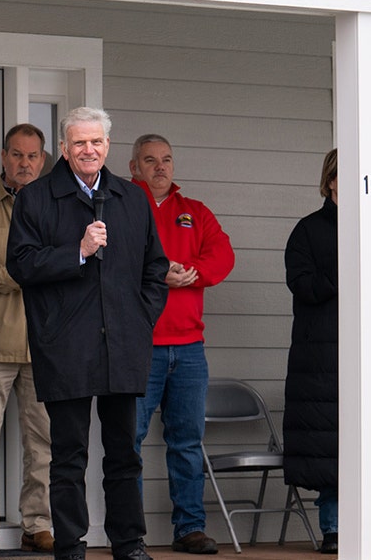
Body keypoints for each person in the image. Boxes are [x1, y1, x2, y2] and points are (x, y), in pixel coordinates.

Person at [7, 106, 168, 560]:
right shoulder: (36, 198)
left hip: (123, 343)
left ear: (108, 146)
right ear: (63, 148)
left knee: (124, 452)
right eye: (79, 143)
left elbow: (154, 269)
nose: (89, 150)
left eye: (96, 142)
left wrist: (140, 320)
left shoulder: (131, 199)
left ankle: (128, 542)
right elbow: (20, 264)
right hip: (66, 345)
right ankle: (71, 545)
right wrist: (76, 251)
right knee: (68, 455)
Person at [282, 148, 371, 554]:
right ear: (332, 180)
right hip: (320, 354)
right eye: (348, 176)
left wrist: (370, 272)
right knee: (330, 441)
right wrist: (346, 271)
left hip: (367, 347)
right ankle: (335, 528)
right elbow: (302, 284)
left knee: (370, 437)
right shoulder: (308, 230)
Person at [128, 134, 234, 556]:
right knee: (128, 442)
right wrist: (158, 274)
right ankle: (129, 532)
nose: (160, 167)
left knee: (187, 442)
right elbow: (112, 260)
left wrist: (190, 272)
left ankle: (189, 527)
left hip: (189, 347)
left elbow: (222, 255)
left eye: (166, 160)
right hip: (138, 345)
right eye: (150, 160)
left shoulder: (195, 212)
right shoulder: (121, 205)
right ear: (133, 166)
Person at [0, 123, 53, 554]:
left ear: (42, 160)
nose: (24, 164)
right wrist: (24, 274)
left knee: (41, 441)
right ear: (3, 156)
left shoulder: (53, 205)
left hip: (45, 343)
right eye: (17, 155)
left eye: (32, 156)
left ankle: (37, 522)